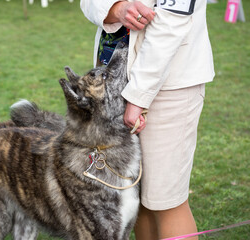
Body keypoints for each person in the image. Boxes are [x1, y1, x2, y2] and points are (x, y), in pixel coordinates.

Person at [80, 0, 215, 239]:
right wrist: (117, 9)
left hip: (170, 82)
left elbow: (171, 23)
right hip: (111, 78)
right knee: (136, 195)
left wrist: (137, 98)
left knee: (165, 201)